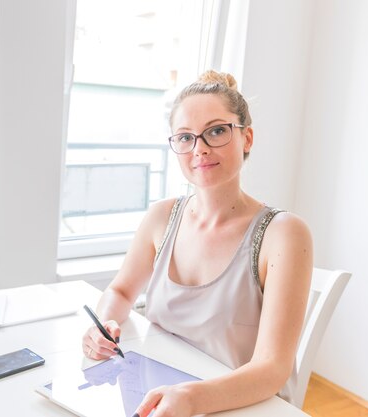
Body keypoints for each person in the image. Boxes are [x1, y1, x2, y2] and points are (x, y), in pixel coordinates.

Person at [81, 70, 313, 417]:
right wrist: (103, 327)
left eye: (217, 131)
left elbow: (273, 368)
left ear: (246, 137)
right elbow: (121, 291)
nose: (199, 148)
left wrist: (192, 398)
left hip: (242, 404)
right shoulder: (161, 217)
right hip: (162, 394)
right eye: (185, 137)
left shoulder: (283, 233)